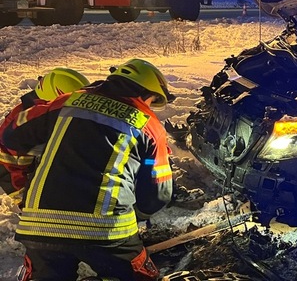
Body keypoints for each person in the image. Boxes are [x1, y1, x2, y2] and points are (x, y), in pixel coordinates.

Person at [2, 58, 175, 280]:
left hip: (40, 227)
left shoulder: (68, 102)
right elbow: (159, 194)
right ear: (146, 94)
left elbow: (12, 134)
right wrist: (139, 214)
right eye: (153, 101)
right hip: (107, 231)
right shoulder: (149, 125)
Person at [0, 68, 90, 199]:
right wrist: (25, 201)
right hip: (37, 182)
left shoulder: (46, 115)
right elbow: (10, 169)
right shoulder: (22, 127)